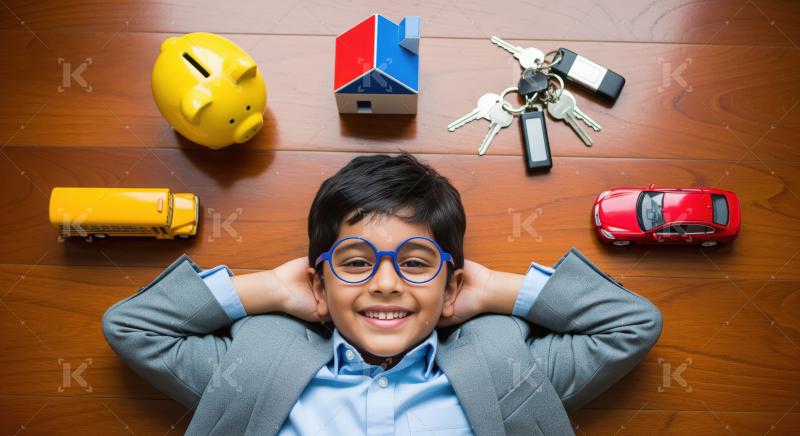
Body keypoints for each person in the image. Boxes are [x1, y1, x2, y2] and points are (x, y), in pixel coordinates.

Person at [103, 153, 662, 435]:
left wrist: (491, 288)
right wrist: (271, 288)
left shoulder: (507, 364)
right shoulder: (257, 361)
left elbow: (632, 325)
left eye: (416, 263)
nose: (387, 281)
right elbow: (131, 327)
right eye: (356, 263)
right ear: (318, 284)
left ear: (452, 286)